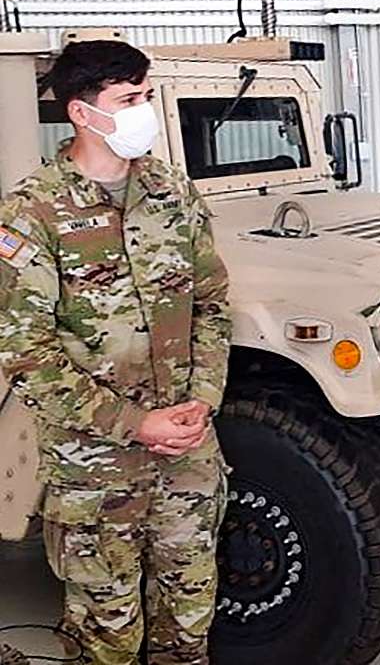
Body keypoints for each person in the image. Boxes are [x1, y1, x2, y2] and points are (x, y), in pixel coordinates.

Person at [0, 40, 232, 665]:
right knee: (108, 641)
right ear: (82, 112)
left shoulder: (171, 190)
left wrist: (202, 400)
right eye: (129, 99)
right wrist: (135, 424)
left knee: (187, 630)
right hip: (96, 473)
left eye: (146, 96)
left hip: (187, 462)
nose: (144, 111)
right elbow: (27, 354)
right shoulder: (32, 211)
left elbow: (211, 301)